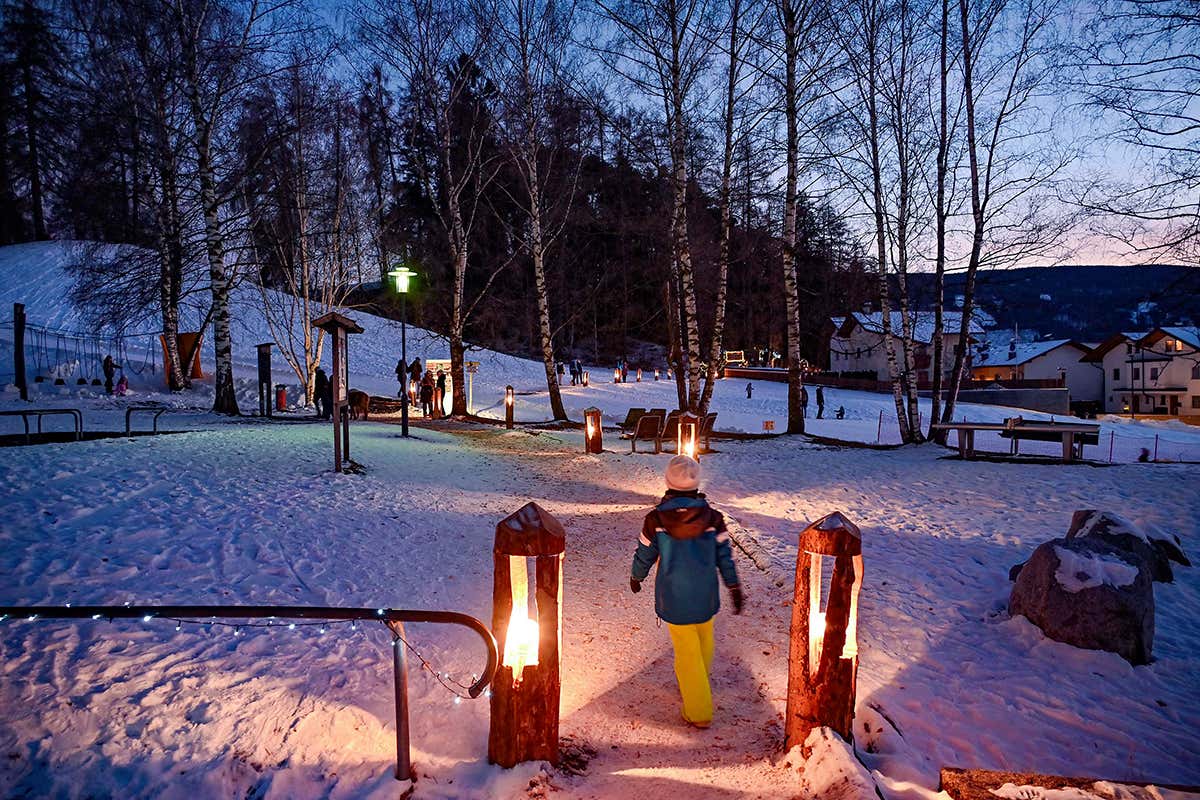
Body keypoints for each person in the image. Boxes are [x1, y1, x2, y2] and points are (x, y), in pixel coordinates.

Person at [630, 456, 743, 729]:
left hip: (674, 596)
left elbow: (645, 553)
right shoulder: (713, 518)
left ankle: (699, 710)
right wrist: (733, 585)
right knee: (704, 642)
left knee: (687, 653)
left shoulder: (655, 520)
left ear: (669, 482)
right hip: (705, 594)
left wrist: (637, 575)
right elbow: (724, 556)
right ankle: (697, 687)